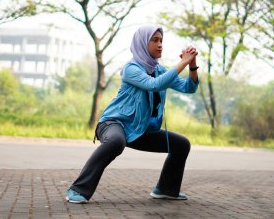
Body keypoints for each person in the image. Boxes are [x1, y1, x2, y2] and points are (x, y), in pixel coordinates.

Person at [66, 25, 199, 204]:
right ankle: (78, 189)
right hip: (114, 124)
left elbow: (189, 88)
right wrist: (182, 62)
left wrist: (191, 65)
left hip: (139, 129)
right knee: (115, 142)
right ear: (143, 43)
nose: (160, 44)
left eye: (161, 41)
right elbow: (154, 85)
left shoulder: (161, 71)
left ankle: (166, 189)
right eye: (155, 40)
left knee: (181, 144)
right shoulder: (131, 68)